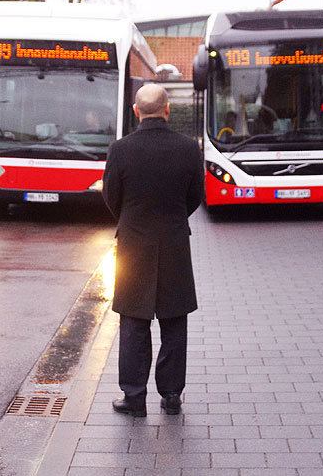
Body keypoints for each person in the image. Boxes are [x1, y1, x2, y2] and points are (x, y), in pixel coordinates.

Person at [102, 84, 204, 417]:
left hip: (133, 247)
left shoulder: (120, 149)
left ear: (136, 111)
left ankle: (134, 398)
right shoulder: (189, 149)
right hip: (175, 245)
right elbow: (195, 197)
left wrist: (131, 221)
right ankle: (171, 395)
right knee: (174, 322)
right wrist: (172, 219)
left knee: (133, 321)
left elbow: (110, 196)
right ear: (167, 109)